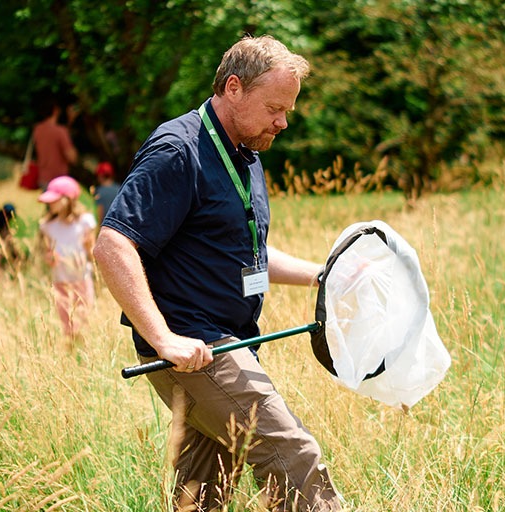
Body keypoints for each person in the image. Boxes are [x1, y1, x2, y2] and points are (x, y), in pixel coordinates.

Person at [93, 35, 340, 511]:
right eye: (274, 107)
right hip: (193, 348)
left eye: (287, 110)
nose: (283, 122)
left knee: (202, 493)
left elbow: (247, 252)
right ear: (233, 88)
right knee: (294, 454)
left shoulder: (246, 152)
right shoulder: (178, 150)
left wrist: (325, 274)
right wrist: (165, 340)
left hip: (227, 341)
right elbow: (113, 244)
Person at [38, 176, 96, 346]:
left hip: (81, 278)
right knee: (67, 323)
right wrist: (49, 258)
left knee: (84, 319)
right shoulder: (48, 226)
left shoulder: (85, 222)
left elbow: (92, 252)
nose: (50, 204)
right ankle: (71, 354)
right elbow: (47, 253)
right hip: (60, 280)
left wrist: (88, 248)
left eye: (54, 200)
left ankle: (86, 354)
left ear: (68, 199)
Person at [32, 97, 78, 189]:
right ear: (56, 110)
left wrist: (69, 122)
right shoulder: (60, 131)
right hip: (58, 180)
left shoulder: (37, 129)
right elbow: (72, 157)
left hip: (43, 178)